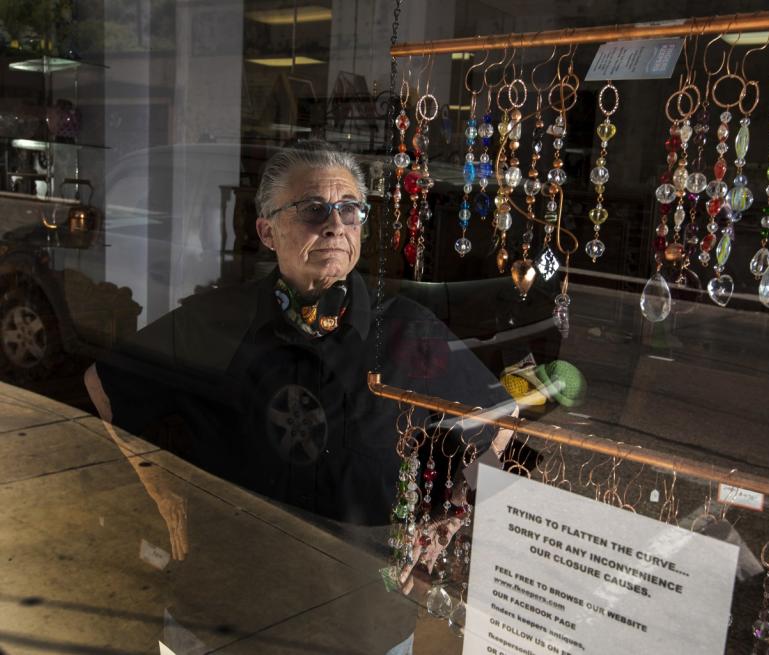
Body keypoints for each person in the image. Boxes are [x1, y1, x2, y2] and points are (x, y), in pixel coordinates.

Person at [83, 142, 515, 648]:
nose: (335, 225)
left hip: (362, 623)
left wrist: (445, 515)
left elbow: (499, 422)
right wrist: (161, 486)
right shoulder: (215, 321)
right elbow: (105, 384)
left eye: (350, 209)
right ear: (267, 230)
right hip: (225, 613)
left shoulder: (405, 332)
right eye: (313, 210)